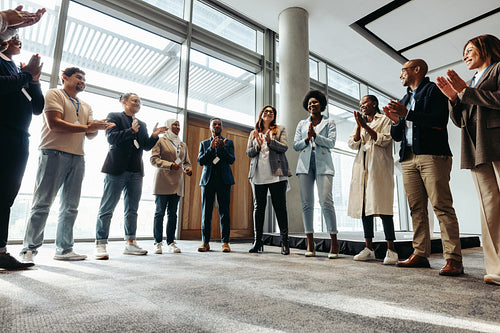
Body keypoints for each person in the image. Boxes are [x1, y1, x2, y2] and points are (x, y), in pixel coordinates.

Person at [20, 67, 113, 263]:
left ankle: (64, 249)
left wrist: (96, 127)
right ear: (65, 78)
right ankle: (29, 250)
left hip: (77, 157)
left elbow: (89, 134)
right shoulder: (54, 93)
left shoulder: (86, 105)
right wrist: (89, 126)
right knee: (43, 203)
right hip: (53, 153)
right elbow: (55, 123)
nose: (82, 81)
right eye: (78, 77)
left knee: (71, 207)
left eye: (84, 79)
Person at [383, 59, 463, 276]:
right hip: (408, 158)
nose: (400, 75)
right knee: (416, 209)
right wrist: (395, 120)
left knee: (442, 206)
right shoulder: (404, 98)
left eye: (403, 70)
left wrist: (406, 114)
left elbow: (439, 121)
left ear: (416, 70)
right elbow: (397, 136)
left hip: (433, 155)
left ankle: (454, 259)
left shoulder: (434, 90)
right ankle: (419, 253)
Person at [436, 34, 500, 285]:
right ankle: (496, 269)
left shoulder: (497, 69)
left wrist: (465, 91)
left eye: (470, 49)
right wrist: (454, 98)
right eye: (464, 52)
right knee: (489, 210)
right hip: (476, 148)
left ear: (487, 49)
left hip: (497, 142)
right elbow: (459, 119)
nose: (465, 55)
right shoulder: (472, 80)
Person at [94, 93, 166, 260]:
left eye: (140, 102)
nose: (138, 104)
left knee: (132, 209)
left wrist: (154, 136)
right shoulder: (114, 117)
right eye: (135, 101)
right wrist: (130, 131)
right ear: (124, 102)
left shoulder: (142, 124)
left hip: (135, 171)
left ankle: (130, 243)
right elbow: (111, 139)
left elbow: (146, 146)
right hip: (116, 168)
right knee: (107, 207)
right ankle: (100, 243)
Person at [0, 35, 43, 270]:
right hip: (2, 132)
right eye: (11, 34)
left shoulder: (19, 69)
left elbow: (37, 107)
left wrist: (34, 79)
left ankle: (0, 250)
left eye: (20, 38)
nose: (17, 39)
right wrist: (26, 74)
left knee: (6, 195)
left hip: (20, 137)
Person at [348, 95, 398, 265]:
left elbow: (385, 140)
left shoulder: (384, 119)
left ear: (374, 104)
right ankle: (369, 249)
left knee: (383, 207)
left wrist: (365, 127)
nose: (361, 106)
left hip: (379, 168)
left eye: (364, 103)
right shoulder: (360, 123)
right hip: (362, 168)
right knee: (364, 209)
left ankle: (391, 250)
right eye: (360, 104)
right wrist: (358, 126)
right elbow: (352, 144)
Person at [294, 90, 339, 258]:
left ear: (321, 105)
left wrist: (316, 136)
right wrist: (307, 139)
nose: (312, 105)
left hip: (323, 164)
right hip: (305, 165)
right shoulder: (301, 124)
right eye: (310, 103)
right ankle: (310, 242)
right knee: (306, 204)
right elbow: (296, 145)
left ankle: (334, 242)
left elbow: (331, 143)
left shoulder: (330, 122)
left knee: (326, 201)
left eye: (315, 102)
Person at [246, 105, 291, 255]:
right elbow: (248, 153)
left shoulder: (279, 129)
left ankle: (285, 243)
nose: (269, 113)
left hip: (276, 173)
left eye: (272, 112)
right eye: (266, 111)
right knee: (259, 208)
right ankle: (257, 241)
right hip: (258, 174)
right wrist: (257, 145)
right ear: (261, 115)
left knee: (280, 208)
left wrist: (270, 141)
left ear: (274, 116)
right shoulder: (253, 132)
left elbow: (284, 147)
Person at [150, 119, 192, 254]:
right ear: (167, 126)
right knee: (159, 213)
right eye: (174, 124)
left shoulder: (183, 144)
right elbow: (154, 159)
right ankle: (157, 242)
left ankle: (171, 242)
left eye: (179, 125)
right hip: (162, 181)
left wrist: (188, 169)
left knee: (173, 214)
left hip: (177, 183)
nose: (177, 127)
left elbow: (186, 162)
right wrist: (169, 165)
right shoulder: (161, 141)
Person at [197, 118, 235, 253]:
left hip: (224, 181)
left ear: (222, 127)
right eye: (214, 124)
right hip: (208, 181)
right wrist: (211, 149)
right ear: (210, 127)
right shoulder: (204, 143)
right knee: (206, 213)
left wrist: (222, 149)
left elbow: (231, 160)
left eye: (219, 124)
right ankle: (205, 242)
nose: (217, 126)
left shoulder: (228, 142)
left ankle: (225, 242)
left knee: (224, 213)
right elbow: (200, 161)